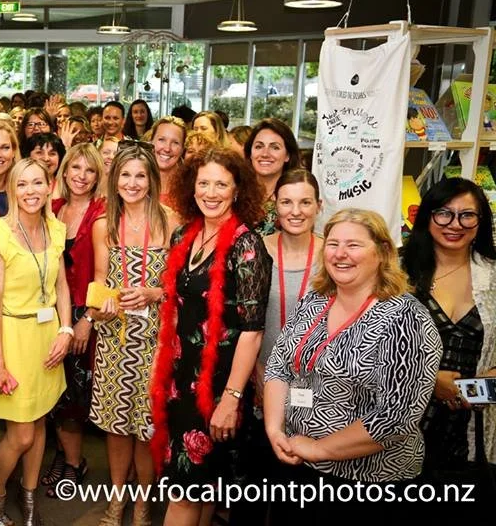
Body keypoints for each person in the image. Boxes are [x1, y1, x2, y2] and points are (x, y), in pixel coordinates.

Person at [264, 209, 442, 523]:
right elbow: (278, 366)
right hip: (296, 465)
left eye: (354, 245)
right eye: (333, 244)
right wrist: (274, 429)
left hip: (367, 485)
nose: (340, 254)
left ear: (383, 252)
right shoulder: (315, 301)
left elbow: (396, 417)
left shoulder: (405, 318)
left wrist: (320, 450)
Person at [150, 146, 272, 526]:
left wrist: (231, 400)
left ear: (238, 190)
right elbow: (174, 309)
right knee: (201, 490)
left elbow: (252, 332)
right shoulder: (184, 235)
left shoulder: (246, 245)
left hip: (220, 385)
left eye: (221, 184)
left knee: (185, 494)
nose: (211, 192)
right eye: (204, 183)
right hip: (181, 379)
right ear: (191, 187)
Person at [89, 142, 178, 526]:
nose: (132, 182)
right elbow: (98, 284)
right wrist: (100, 308)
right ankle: (116, 499)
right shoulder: (103, 226)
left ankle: (142, 503)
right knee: (115, 426)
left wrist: (153, 292)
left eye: (141, 175)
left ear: (152, 179)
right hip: (116, 337)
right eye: (125, 174)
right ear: (114, 179)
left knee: (146, 428)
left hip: (156, 341)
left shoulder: (171, 221)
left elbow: (179, 286)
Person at [0, 158, 73, 526]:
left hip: (48, 338)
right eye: (22, 184)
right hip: (13, 336)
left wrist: (66, 330)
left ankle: (29, 491)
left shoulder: (56, 228)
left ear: (49, 187)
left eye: (38, 183)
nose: (31, 191)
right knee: (19, 434)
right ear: (12, 190)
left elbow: (61, 285)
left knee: (40, 422)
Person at [232, 169, 323, 526]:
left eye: (305, 202)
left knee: (300, 495)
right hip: (260, 383)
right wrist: (257, 372)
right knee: (252, 487)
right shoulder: (256, 248)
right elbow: (243, 321)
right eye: (287, 202)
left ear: (318, 206)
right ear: (275, 205)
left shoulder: (332, 254)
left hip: (317, 390)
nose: (295, 210)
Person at [402, 178, 496, 474]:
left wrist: (479, 390)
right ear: (428, 215)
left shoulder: (493, 277)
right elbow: (365, 353)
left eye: (467, 214)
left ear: (481, 221)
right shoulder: (395, 272)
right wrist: (429, 383)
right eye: (444, 213)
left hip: (471, 438)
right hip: (401, 429)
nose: (455, 224)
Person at [40, 144, 106, 496]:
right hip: (50, 314)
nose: (81, 176)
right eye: (75, 168)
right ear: (63, 172)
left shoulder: (103, 213)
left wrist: (88, 321)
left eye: (89, 170)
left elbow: (104, 274)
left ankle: (75, 463)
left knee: (73, 399)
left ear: (98, 176)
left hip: (84, 316)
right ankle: (64, 455)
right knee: (53, 393)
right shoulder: (52, 210)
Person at [244, 118, 302, 236]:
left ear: (288, 155)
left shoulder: (297, 196)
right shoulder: (237, 193)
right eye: (259, 147)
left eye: (275, 147)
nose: (265, 154)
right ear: (250, 153)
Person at [147, 117, 186, 210]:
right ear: (151, 142)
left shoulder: (189, 187)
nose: (167, 148)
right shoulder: (135, 180)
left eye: (175, 143)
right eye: (161, 140)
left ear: (182, 149)